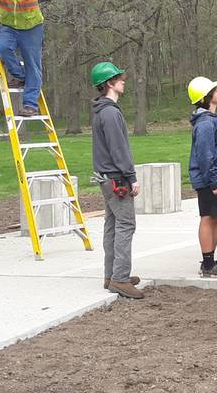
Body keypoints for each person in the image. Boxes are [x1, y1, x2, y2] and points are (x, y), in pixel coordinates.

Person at [91, 61, 142, 299]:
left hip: (106, 178)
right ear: (109, 83)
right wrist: (131, 177)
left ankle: (111, 275)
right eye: (119, 78)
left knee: (112, 225)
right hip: (116, 179)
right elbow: (119, 149)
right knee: (126, 225)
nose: (123, 80)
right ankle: (120, 279)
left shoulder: (103, 111)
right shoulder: (110, 113)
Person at [188, 76, 217, 279]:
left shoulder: (211, 119)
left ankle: (209, 260)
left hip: (216, 176)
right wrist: (213, 182)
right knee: (209, 216)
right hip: (209, 178)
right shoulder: (205, 123)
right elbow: (205, 155)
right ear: (207, 97)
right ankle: (207, 263)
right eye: (215, 89)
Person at [0, 0, 44, 117]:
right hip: (9, 26)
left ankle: (30, 105)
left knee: (32, 64)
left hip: (32, 27)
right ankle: (21, 76)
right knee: (2, 48)